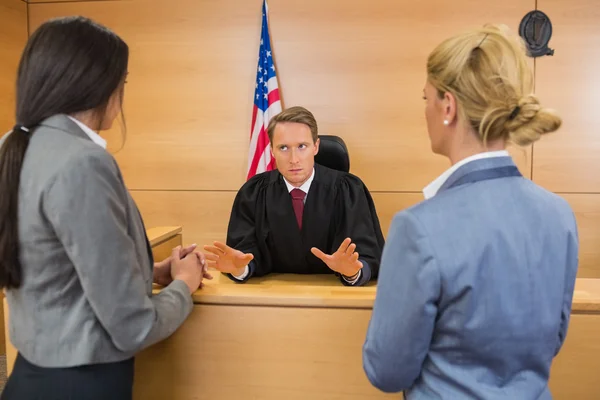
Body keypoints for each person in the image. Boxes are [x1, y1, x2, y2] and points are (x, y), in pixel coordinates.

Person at [362, 24, 578, 399]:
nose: (424, 110)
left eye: (425, 97)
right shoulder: (559, 214)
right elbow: (552, 340)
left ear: (448, 106)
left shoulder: (418, 228)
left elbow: (387, 370)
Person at [0, 16, 210, 400]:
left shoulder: (13, 144)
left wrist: (151, 271)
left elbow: (59, 271)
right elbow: (134, 327)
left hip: (30, 375)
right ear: (100, 85)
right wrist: (184, 285)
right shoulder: (83, 162)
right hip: (83, 384)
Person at [203, 106, 385, 286]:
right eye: (283, 148)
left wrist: (353, 272)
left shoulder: (349, 189)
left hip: (334, 296)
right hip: (273, 297)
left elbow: (368, 255)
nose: (294, 159)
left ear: (316, 146)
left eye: (302, 146)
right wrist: (239, 269)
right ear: (272, 151)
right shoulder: (254, 192)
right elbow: (244, 256)